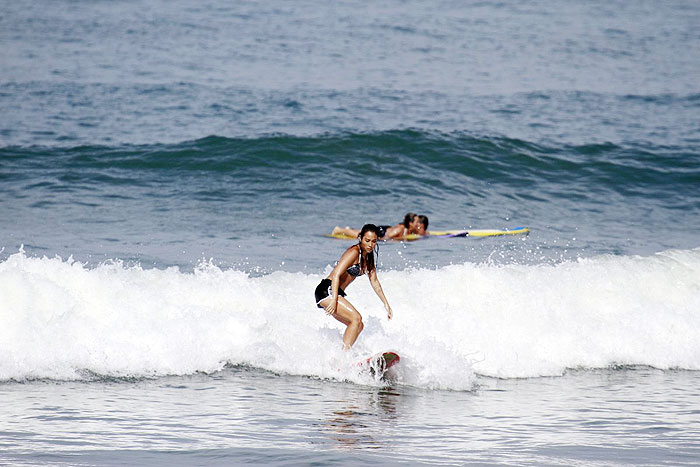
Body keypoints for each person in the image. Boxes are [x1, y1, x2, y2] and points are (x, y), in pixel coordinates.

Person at [315, 224, 393, 349]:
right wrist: (334, 299)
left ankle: (342, 353)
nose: (370, 244)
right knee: (356, 318)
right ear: (360, 238)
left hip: (336, 292)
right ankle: (343, 356)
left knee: (358, 325)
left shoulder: (368, 258)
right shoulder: (354, 252)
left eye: (374, 241)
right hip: (327, 290)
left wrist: (386, 304)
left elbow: (375, 282)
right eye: (367, 240)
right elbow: (336, 275)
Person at [332, 212, 421, 240]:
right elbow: (388, 237)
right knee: (361, 235)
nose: (418, 224)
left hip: (385, 230)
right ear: (410, 223)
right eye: (416, 222)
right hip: (382, 232)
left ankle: (349, 229)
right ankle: (339, 230)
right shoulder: (400, 228)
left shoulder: (409, 229)